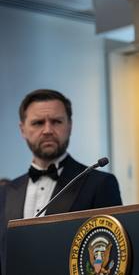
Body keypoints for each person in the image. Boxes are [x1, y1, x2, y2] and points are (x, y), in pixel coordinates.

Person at [3, 89, 122, 221]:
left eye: (56, 121)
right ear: (22, 130)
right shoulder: (5, 193)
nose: (47, 130)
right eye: (38, 123)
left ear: (70, 126)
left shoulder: (100, 184)